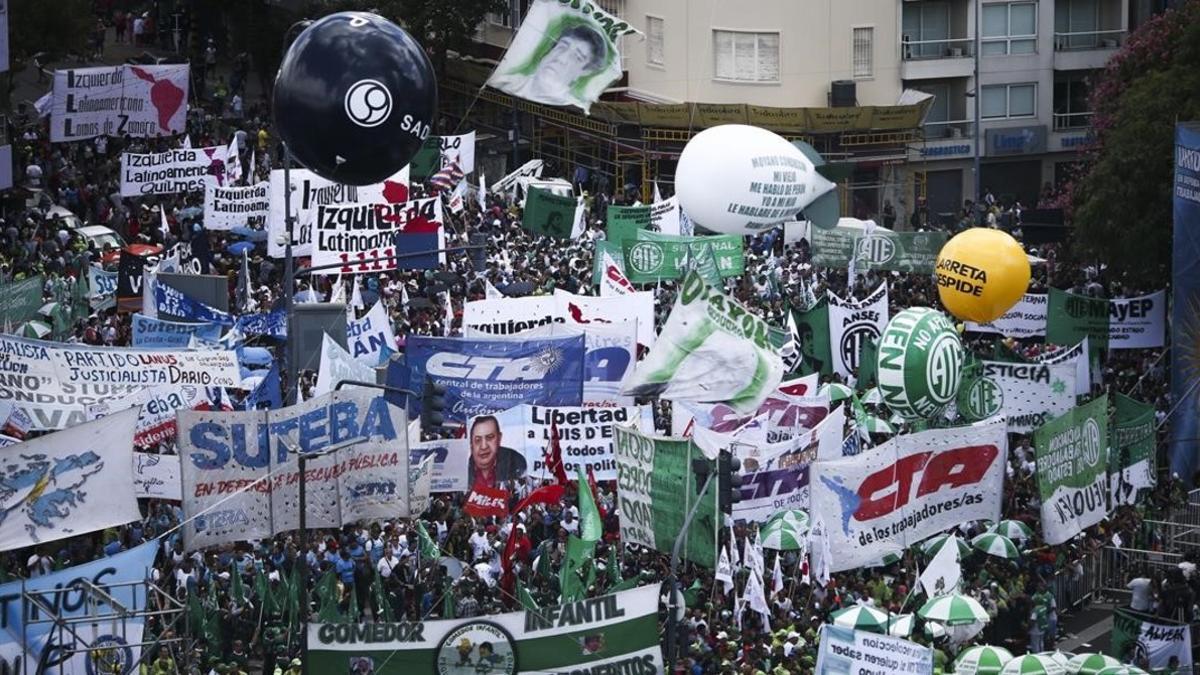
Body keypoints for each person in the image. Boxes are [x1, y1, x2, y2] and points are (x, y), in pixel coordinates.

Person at [489, 24, 608, 107]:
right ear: (550, 49)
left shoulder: (570, 105)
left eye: (576, 57)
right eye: (562, 47)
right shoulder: (506, 82)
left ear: (584, 71)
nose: (561, 58)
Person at [467, 415, 527, 489]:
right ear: (471, 443)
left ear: (499, 438)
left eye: (489, 437)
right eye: (477, 440)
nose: (484, 446)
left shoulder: (515, 462)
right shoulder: (461, 468)